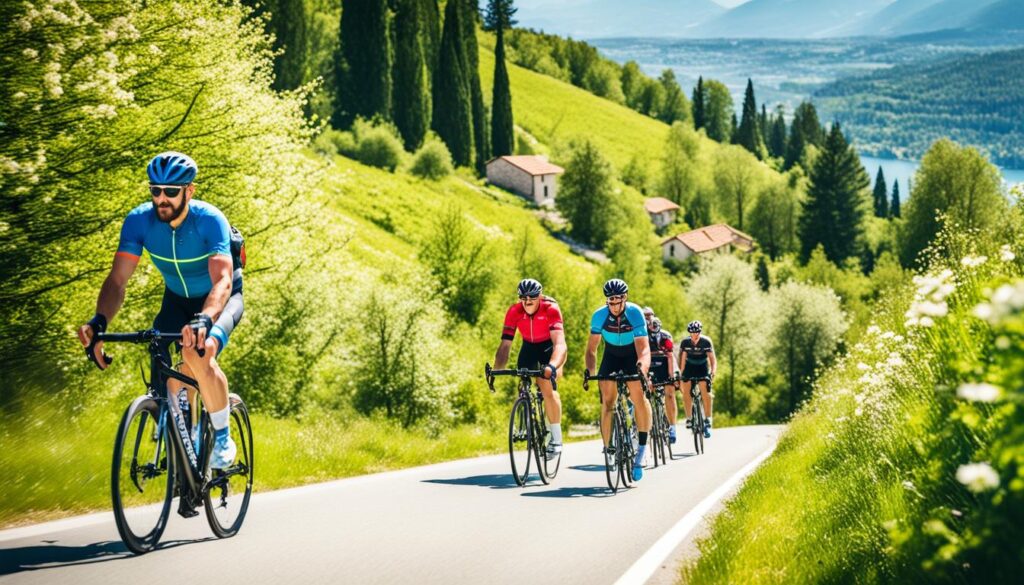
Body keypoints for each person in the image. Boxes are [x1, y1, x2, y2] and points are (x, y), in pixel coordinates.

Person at [77, 152, 244, 479]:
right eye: (156, 190)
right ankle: (187, 435)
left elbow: (222, 280)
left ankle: (222, 438)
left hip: (220, 299)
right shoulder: (139, 221)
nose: (162, 198)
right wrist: (99, 322)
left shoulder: (210, 220)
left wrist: (205, 319)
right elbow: (117, 280)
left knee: (199, 351)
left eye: (171, 191)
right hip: (176, 301)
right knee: (163, 366)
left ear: (189, 191)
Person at [585, 278, 652, 481]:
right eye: (610, 301)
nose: (614, 305)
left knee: (638, 397)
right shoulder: (599, 316)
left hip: (632, 356)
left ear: (625, 298)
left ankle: (642, 447)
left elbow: (644, 349)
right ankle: (608, 448)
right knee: (607, 404)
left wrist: (642, 368)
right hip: (612, 356)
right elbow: (591, 350)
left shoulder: (635, 313)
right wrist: (590, 371)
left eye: (617, 300)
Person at [493, 279, 567, 459]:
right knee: (523, 381)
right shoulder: (514, 311)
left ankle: (556, 439)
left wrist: (552, 365)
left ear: (540, 296)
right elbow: (505, 346)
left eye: (532, 296)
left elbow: (560, 343)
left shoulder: (551, 309)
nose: (527, 300)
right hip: (529, 347)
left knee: (546, 386)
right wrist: (496, 371)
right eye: (523, 297)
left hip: (549, 347)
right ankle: (525, 414)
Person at [678, 320, 715, 438]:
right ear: (689, 332)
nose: (695, 335)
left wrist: (712, 372)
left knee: (705, 391)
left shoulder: (706, 341)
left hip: (702, 366)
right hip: (690, 366)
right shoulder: (685, 342)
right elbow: (682, 359)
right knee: (686, 392)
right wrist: (681, 374)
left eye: (697, 332)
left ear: (700, 332)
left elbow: (712, 360)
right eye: (692, 332)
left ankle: (708, 418)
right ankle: (689, 418)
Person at [647, 317, 680, 444]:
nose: (654, 329)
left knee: (670, 394)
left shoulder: (666, 336)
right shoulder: (644, 336)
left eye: (656, 327)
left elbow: (670, 357)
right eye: (651, 327)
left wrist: (671, 377)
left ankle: (672, 427)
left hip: (664, 364)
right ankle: (650, 425)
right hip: (650, 364)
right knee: (647, 393)